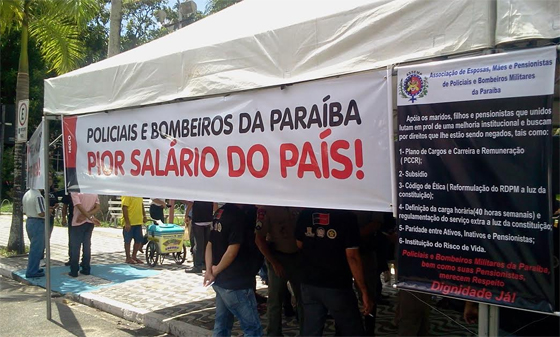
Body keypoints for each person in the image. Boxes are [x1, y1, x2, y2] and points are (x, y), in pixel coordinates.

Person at [295, 208, 373, 336]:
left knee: (310, 330)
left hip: (309, 281)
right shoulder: (347, 217)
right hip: (336, 283)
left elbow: (299, 243)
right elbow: (352, 256)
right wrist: (364, 290)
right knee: (352, 330)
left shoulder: (306, 213)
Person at [203, 203, 263, 337]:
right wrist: (214, 271)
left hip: (221, 281)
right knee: (252, 328)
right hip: (236, 282)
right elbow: (232, 251)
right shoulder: (238, 216)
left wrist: (209, 271)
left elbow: (210, 244)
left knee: (221, 325)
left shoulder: (219, 212)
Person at [255, 206, 304, 336]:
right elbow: (259, 239)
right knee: (275, 300)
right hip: (278, 257)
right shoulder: (267, 209)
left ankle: (307, 330)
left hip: (298, 258)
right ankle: (274, 333)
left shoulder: (297, 205)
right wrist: (274, 263)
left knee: (303, 297)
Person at [68, 192, 100, 277]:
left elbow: (78, 205)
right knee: (87, 246)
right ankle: (86, 268)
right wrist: (89, 216)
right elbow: (97, 207)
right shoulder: (93, 191)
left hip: (77, 221)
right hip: (89, 222)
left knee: (75, 246)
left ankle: (74, 270)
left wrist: (84, 216)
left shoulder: (75, 192)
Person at [185, 201, 217, 273]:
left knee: (198, 245)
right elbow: (215, 204)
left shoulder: (196, 192)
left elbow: (190, 203)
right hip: (208, 220)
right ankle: (205, 264)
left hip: (198, 220)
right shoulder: (209, 193)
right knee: (206, 244)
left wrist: (186, 215)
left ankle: (197, 266)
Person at [22, 188, 46, 278]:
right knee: (36, 249)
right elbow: (41, 213)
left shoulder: (27, 194)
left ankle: (34, 268)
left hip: (30, 221)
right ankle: (32, 271)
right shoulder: (38, 196)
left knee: (34, 247)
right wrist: (49, 211)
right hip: (38, 222)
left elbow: (24, 211)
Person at [121, 196, 147, 264]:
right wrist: (127, 222)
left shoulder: (139, 195)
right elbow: (124, 208)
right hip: (129, 222)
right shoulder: (127, 195)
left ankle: (134, 256)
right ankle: (128, 258)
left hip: (138, 222)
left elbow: (141, 205)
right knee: (127, 240)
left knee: (138, 240)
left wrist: (144, 215)